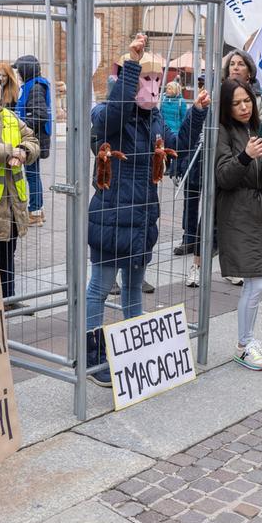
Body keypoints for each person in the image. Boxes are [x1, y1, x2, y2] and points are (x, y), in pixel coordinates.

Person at [85, 35, 208, 387]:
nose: (152, 86)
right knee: (100, 286)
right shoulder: (107, 114)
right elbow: (113, 115)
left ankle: (133, 351)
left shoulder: (154, 119)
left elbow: (177, 146)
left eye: (157, 79)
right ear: (128, 78)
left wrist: (197, 113)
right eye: (145, 78)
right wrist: (132, 65)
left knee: (134, 288)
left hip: (141, 218)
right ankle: (93, 356)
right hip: (111, 216)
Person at [216, 78, 262, 369]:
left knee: (258, 281)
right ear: (226, 107)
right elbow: (223, 177)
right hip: (238, 213)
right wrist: (245, 156)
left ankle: (249, 339)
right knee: (255, 282)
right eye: (236, 103)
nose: (244, 107)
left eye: (247, 101)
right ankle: (244, 344)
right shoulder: (222, 131)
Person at [0, 64, 39, 302]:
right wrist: (7, 151)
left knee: (7, 256)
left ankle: (9, 300)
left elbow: (32, 139)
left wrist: (24, 150)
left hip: (11, 206)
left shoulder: (11, 117)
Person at [14, 54, 52, 227]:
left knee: (32, 175)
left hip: (33, 140)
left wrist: (20, 125)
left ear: (26, 70)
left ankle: (35, 212)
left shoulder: (35, 87)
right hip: (34, 138)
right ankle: (38, 211)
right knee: (33, 174)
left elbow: (40, 115)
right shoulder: (34, 85)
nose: (18, 74)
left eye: (20, 70)